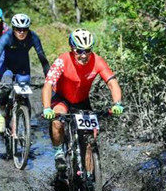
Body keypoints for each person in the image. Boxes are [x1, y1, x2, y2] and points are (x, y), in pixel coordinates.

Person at [41, 28, 124, 171]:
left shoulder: (98, 61)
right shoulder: (62, 60)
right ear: (72, 49)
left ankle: (90, 178)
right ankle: (59, 152)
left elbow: (112, 83)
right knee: (57, 121)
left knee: (90, 139)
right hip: (62, 99)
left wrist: (117, 103)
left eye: (87, 50)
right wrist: (47, 107)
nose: (84, 55)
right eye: (79, 51)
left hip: (82, 101)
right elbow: (48, 84)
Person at [0, 13, 50, 133]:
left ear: (28, 29)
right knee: (6, 86)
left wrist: (49, 77)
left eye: (24, 29)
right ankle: (2, 112)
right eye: (18, 29)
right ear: (13, 28)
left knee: (24, 92)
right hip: (6, 66)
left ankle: (26, 127)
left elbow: (42, 58)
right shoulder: (7, 37)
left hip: (23, 67)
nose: (21, 32)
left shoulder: (33, 37)